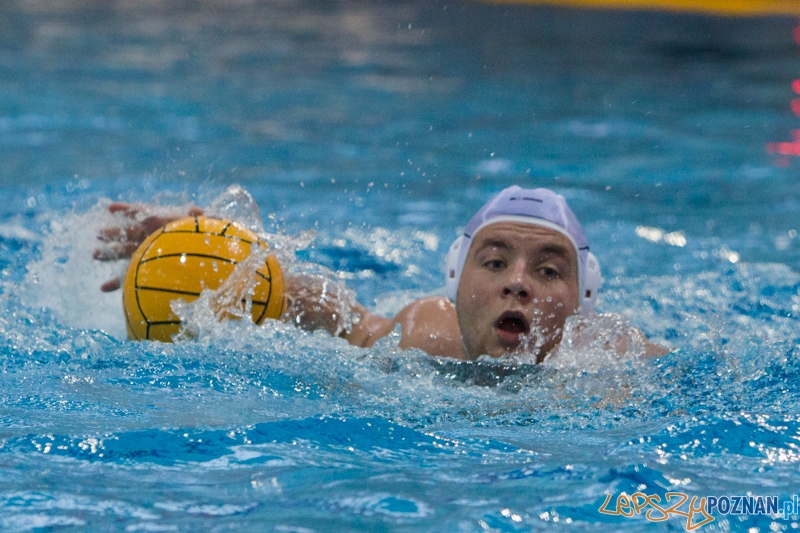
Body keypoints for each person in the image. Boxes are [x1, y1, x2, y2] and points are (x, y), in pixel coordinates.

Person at [95, 185, 667, 362]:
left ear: (582, 297)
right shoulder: (424, 336)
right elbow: (323, 305)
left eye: (547, 270)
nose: (517, 282)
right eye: (494, 262)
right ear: (455, 282)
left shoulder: (615, 362)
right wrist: (208, 251)